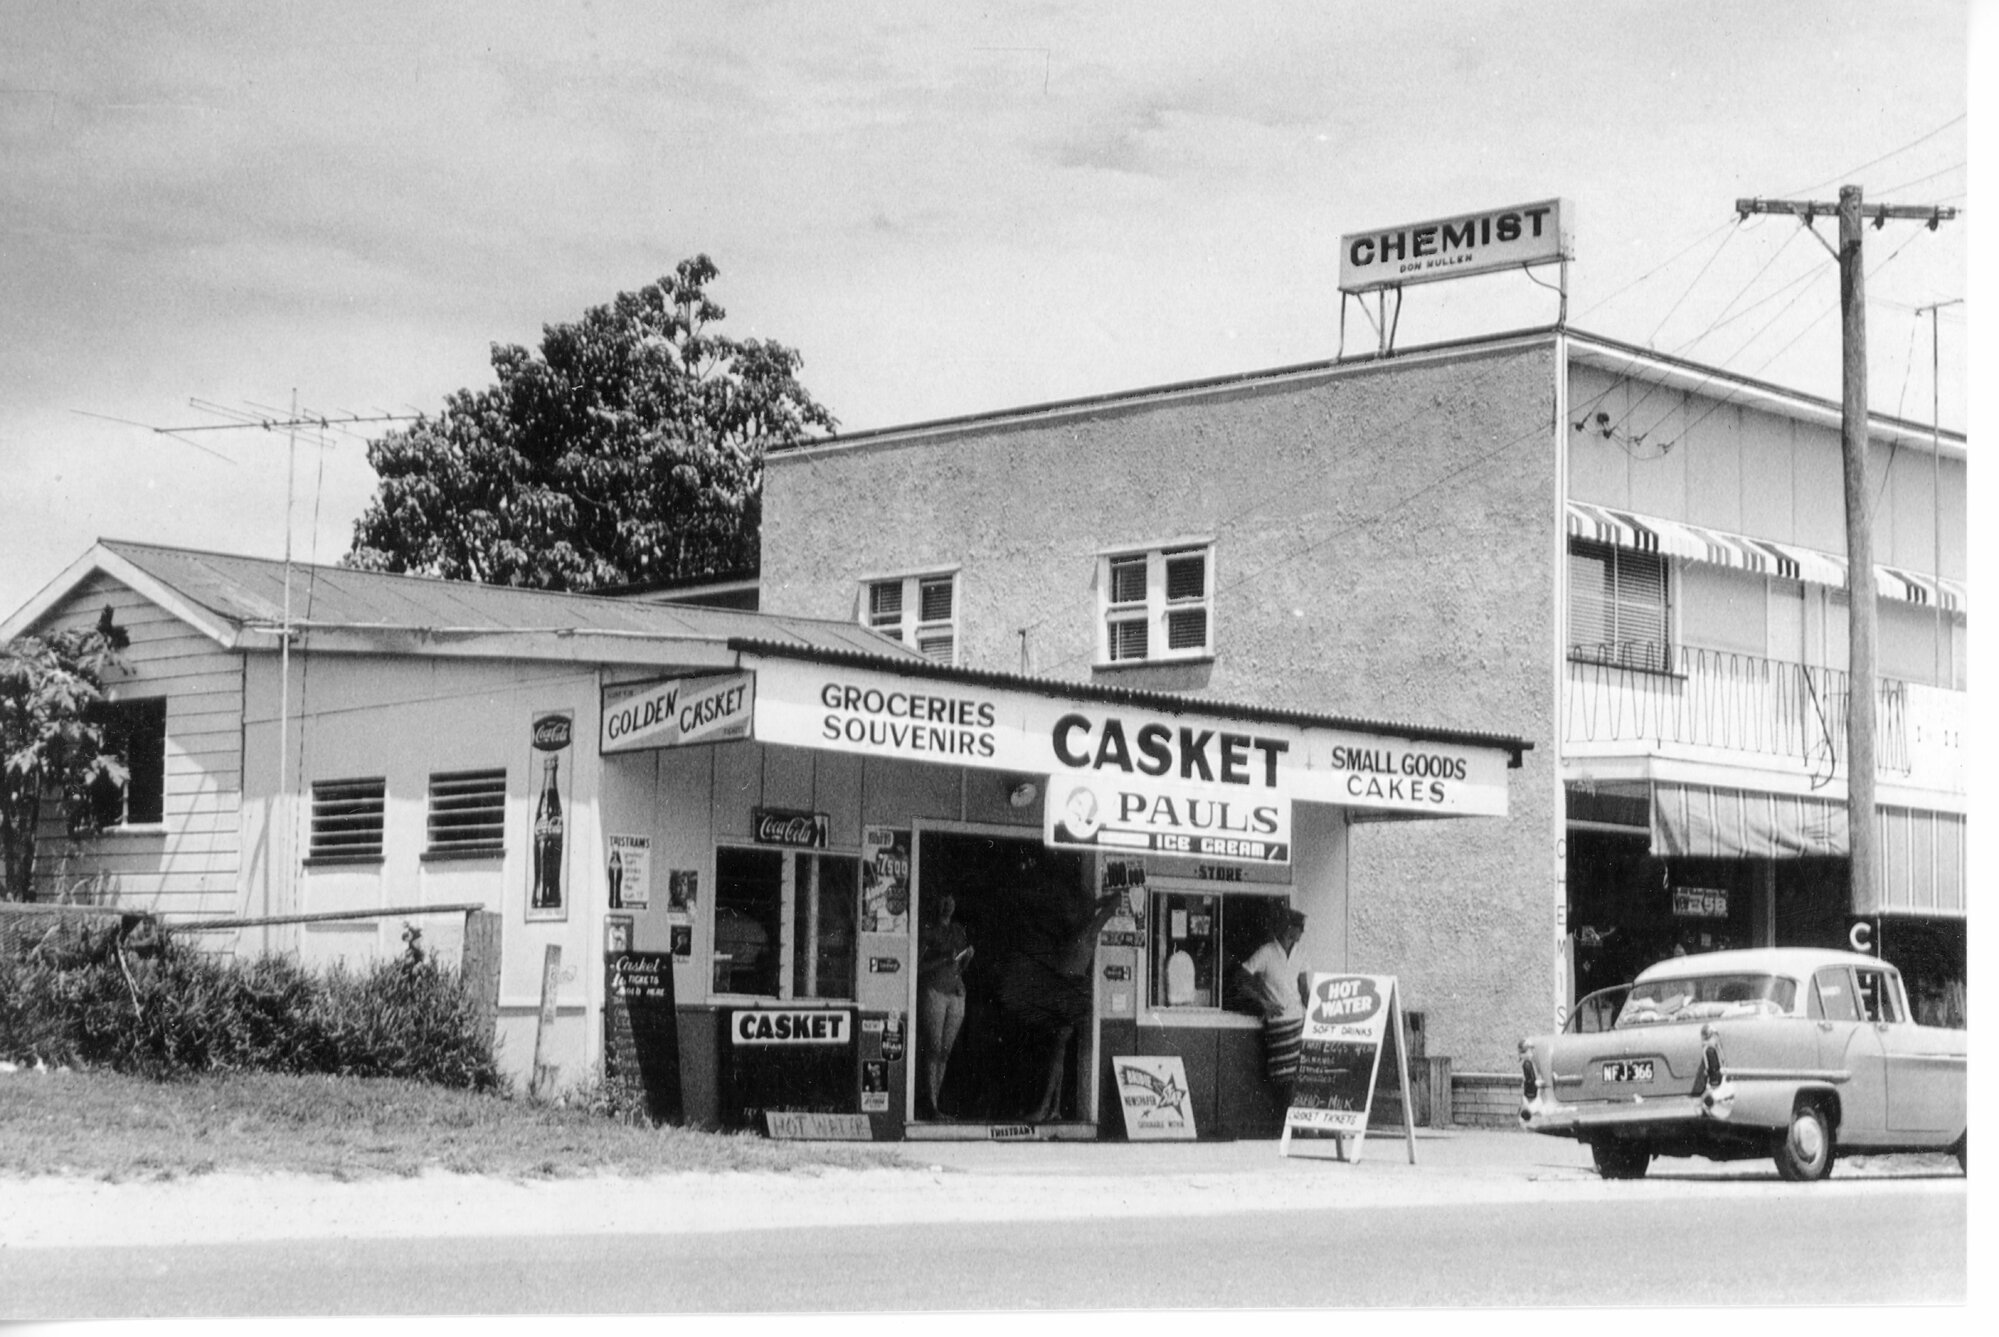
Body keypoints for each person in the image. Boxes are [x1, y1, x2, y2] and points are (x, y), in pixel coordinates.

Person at [1236, 905, 1308, 1096]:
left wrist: (1316, 1014)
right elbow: (1240, 979)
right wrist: (1263, 1002)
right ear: (1288, 927)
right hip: (1277, 1023)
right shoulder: (1266, 952)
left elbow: (1304, 989)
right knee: (1283, 1079)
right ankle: (1285, 1121)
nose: (1302, 931)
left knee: (1299, 1076)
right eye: (1299, 927)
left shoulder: (1300, 953)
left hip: (1297, 1020)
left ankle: (1293, 1121)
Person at [917, 891, 973, 1119]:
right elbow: (917, 968)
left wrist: (967, 956)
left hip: (956, 992)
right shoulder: (928, 929)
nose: (948, 905)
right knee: (933, 1047)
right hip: (935, 990)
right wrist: (943, 960)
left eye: (951, 901)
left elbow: (962, 966)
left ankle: (936, 1103)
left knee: (945, 1051)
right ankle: (930, 1104)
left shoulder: (958, 930)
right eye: (943, 901)